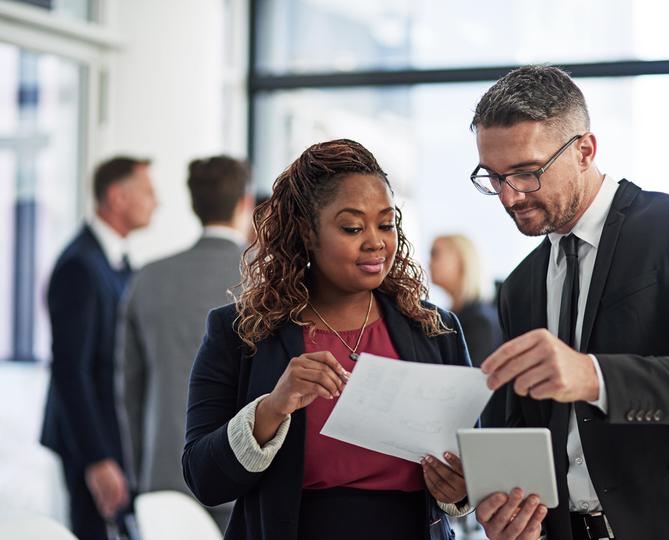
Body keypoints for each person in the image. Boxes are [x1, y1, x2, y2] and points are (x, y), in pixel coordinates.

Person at [468, 65, 669, 540]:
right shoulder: (520, 286)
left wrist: (594, 376)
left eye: (526, 173)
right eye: (494, 177)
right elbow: (527, 431)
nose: (508, 197)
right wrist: (509, 512)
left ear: (585, 150)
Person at [182, 139, 473, 540]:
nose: (375, 242)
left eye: (386, 224)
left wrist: (460, 488)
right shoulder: (241, 332)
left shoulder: (436, 330)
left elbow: (471, 464)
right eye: (352, 227)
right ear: (307, 233)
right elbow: (204, 479)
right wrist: (271, 408)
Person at [115, 156, 252, 529]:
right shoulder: (266, 276)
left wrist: (140, 471)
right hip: (244, 471)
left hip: (164, 474)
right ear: (244, 203)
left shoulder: (149, 278)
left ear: (193, 204)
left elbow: (129, 387)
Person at [40, 156, 157, 539]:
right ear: (117, 197)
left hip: (114, 438)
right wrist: (98, 459)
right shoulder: (80, 266)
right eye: (147, 191)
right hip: (90, 442)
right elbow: (70, 371)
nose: (156, 201)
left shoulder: (118, 262)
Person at [430, 234, 502, 367]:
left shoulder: (480, 322)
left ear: (461, 260)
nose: (429, 263)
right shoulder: (453, 315)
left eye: (435, 254)